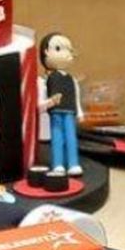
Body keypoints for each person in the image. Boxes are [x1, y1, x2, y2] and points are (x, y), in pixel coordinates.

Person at [39, 32, 83, 176]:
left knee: (71, 137)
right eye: (58, 49)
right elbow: (41, 101)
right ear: (46, 52)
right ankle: (58, 163)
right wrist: (49, 102)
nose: (65, 54)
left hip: (70, 111)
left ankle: (73, 163)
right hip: (55, 112)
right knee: (57, 138)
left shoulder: (71, 79)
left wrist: (80, 112)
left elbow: (76, 96)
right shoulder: (46, 80)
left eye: (69, 50)